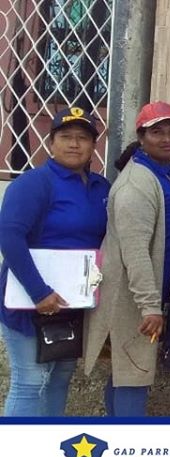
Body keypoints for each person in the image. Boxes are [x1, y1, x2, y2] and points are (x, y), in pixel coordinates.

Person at [83, 102, 170, 417]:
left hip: (152, 291)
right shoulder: (136, 184)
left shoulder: (166, 175)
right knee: (133, 374)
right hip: (131, 298)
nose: (167, 138)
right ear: (141, 137)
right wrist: (150, 306)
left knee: (125, 372)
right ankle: (128, 440)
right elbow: (135, 251)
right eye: (157, 132)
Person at [0, 107, 109, 416]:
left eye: (82, 138)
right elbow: (9, 237)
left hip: (72, 302)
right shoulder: (34, 183)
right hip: (30, 301)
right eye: (65, 137)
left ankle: (48, 443)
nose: (74, 144)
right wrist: (39, 293)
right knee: (31, 381)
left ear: (94, 145)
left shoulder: (101, 187)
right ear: (51, 143)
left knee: (61, 377)